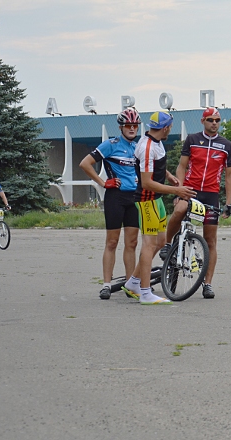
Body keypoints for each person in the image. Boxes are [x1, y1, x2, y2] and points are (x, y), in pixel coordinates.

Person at [159, 107, 231, 299]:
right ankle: (168, 244)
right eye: (210, 120)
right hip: (190, 190)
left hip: (210, 194)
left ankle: (207, 284)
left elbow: (229, 175)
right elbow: (182, 166)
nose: (214, 123)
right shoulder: (192, 140)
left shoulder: (226, 145)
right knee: (179, 210)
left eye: (217, 120)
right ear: (203, 121)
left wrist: (228, 203)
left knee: (210, 240)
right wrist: (179, 189)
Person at [121, 111, 196, 305]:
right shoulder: (146, 147)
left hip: (157, 199)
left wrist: (169, 175)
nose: (170, 129)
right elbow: (146, 183)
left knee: (161, 241)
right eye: (170, 126)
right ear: (166, 127)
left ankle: (134, 282)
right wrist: (177, 190)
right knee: (149, 244)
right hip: (147, 200)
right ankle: (145, 293)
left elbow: (154, 166)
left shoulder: (156, 142)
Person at [79, 108, 142, 299]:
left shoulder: (139, 146)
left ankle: (131, 285)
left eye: (135, 125)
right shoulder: (111, 144)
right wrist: (103, 182)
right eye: (128, 125)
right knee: (112, 242)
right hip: (115, 197)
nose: (132, 128)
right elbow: (84, 163)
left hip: (134, 198)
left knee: (132, 242)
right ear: (121, 127)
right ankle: (106, 284)